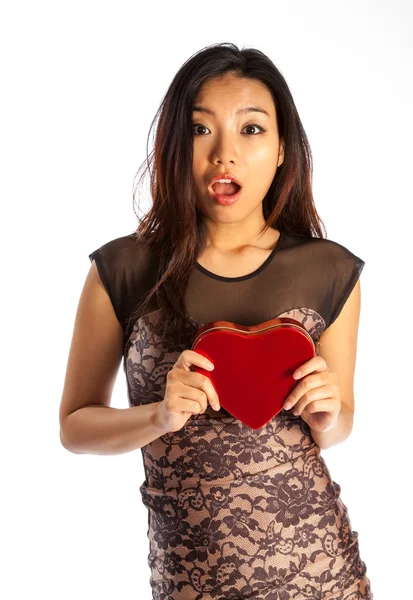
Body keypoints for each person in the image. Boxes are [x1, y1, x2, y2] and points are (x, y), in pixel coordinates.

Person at [59, 42, 373, 599]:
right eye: (201, 129)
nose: (224, 153)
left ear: (282, 150)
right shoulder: (123, 269)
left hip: (321, 574)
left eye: (251, 129)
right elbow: (74, 426)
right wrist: (159, 416)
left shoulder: (329, 269)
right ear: (175, 146)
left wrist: (328, 412)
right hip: (189, 582)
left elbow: (338, 425)